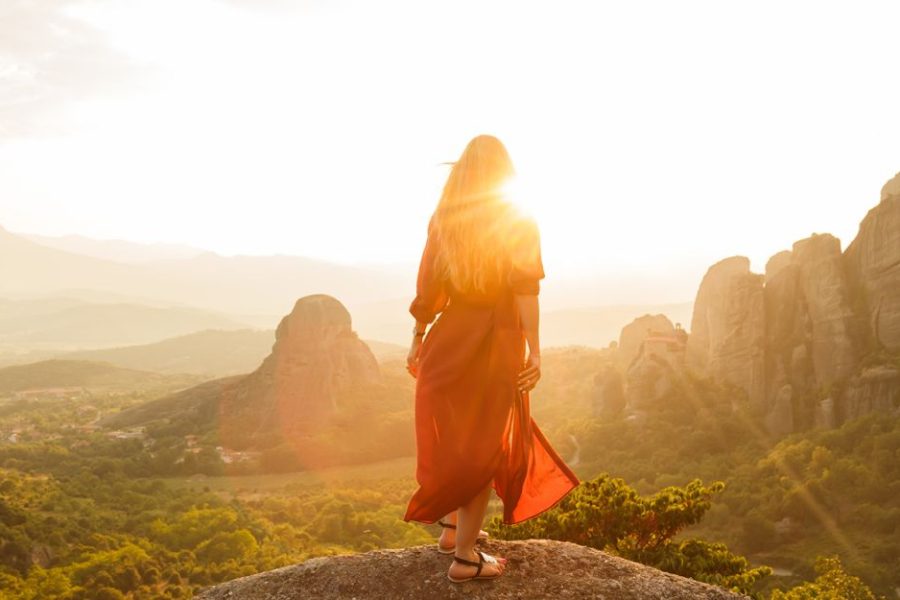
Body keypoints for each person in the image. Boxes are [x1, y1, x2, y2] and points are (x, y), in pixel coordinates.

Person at [402, 134, 580, 583]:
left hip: (449, 337)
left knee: (460, 438)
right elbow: (525, 290)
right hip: (495, 342)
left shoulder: (445, 218)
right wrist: (535, 349)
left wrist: (417, 338)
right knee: (484, 445)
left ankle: (450, 529)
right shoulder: (516, 218)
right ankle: (465, 559)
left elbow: (428, 288)